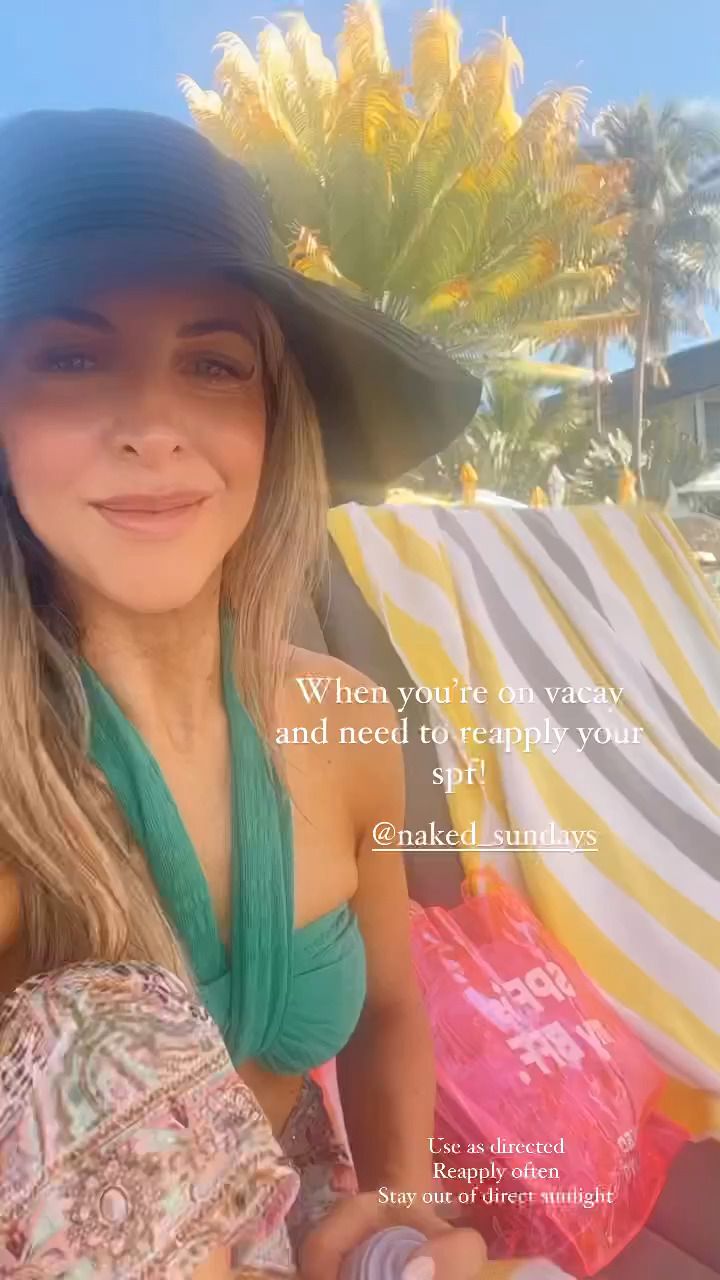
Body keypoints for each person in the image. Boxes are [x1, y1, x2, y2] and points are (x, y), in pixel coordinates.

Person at [0, 108, 486, 1280]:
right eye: (71, 357)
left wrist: (398, 1218)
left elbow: (389, 1009)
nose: (152, 427)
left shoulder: (347, 720)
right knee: (88, 1024)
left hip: (305, 1225)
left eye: (213, 363)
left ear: (275, 416)